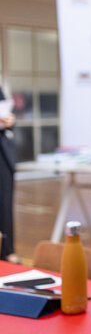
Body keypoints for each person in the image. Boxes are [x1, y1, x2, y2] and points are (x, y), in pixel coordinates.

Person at [0, 84, 15, 261]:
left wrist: (10, 121)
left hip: (2, 155)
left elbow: (6, 113)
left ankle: (6, 250)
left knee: (4, 204)